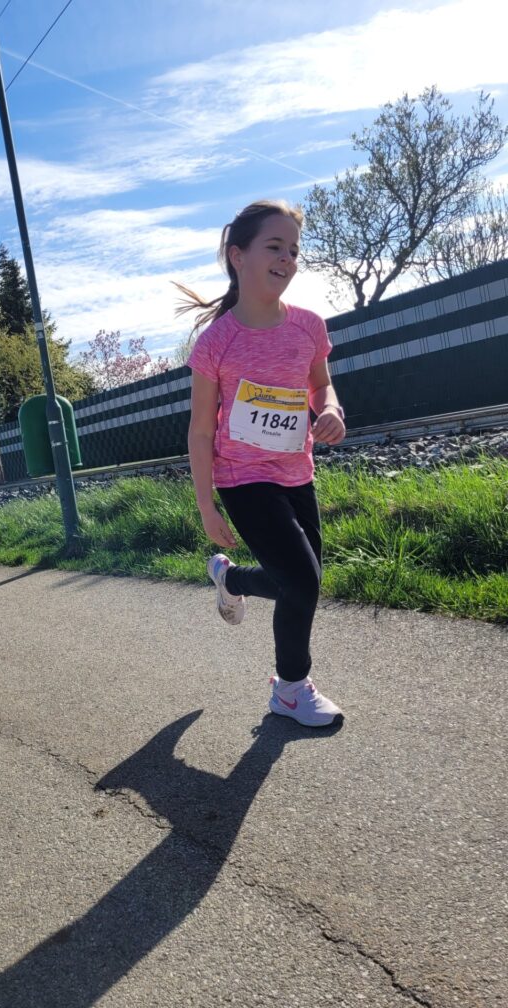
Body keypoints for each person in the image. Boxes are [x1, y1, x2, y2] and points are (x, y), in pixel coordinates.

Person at [181, 200, 346, 727]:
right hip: (242, 478)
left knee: (299, 581)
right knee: (302, 582)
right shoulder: (216, 343)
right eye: (274, 247)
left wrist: (331, 410)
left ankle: (230, 579)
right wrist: (207, 506)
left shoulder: (308, 326)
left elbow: (320, 387)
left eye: (293, 250)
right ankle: (291, 690)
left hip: (297, 472)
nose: (287, 259)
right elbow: (201, 429)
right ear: (238, 256)